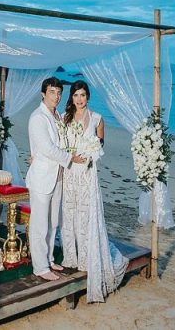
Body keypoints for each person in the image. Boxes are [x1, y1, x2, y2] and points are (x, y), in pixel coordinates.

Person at [61, 80, 129, 302]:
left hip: (88, 174)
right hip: (70, 172)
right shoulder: (64, 118)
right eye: (76, 95)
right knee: (69, 213)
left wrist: (90, 154)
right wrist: (71, 157)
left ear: (88, 97)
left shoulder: (98, 119)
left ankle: (86, 259)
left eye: (83, 95)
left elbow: (100, 146)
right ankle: (71, 257)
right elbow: (60, 146)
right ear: (71, 98)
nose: (79, 99)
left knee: (85, 214)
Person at [26, 77, 86, 281]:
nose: (57, 96)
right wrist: (71, 158)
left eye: (59, 92)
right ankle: (40, 267)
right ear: (43, 94)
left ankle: (49, 258)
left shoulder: (58, 116)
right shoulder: (38, 117)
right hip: (42, 177)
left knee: (53, 222)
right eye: (52, 92)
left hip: (58, 176)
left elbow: (61, 142)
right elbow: (47, 148)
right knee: (40, 224)